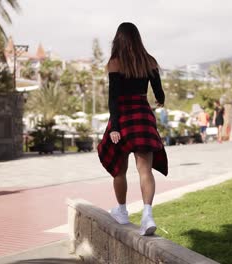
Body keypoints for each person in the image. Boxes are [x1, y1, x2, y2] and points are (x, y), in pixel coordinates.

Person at [97, 22, 168, 236]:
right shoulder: (150, 61)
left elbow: (113, 98)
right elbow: (159, 93)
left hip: (123, 116)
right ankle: (147, 215)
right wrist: (160, 101)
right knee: (144, 169)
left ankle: (121, 210)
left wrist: (115, 127)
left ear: (118, 40)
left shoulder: (115, 63)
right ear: (138, 39)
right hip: (143, 115)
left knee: (119, 169)